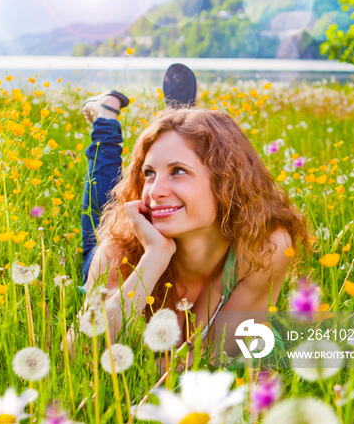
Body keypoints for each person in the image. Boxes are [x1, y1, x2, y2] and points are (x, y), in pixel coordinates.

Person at [79, 67, 311, 360]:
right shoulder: (119, 243)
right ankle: (106, 118)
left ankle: (177, 122)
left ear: (225, 181)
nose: (152, 192)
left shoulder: (264, 246)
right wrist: (154, 256)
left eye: (178, 171)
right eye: (149, 173)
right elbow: (81, 350)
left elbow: (211, 357)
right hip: (125, 253)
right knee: (100, 210)